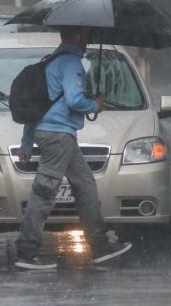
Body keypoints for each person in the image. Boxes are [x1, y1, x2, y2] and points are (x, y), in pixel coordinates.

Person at [14, 26, 132, 270]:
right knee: (44, 192)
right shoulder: (69, 63)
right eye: (86, 35)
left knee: (86, 185)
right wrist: (95, 105)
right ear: (77, 36)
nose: (88, 41)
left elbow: (36, 110)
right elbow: (74, 100)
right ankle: (26, 253)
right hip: (59, 136)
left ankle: (99, 247)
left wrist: (27, 142)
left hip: (57, 134)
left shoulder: (49, 63)